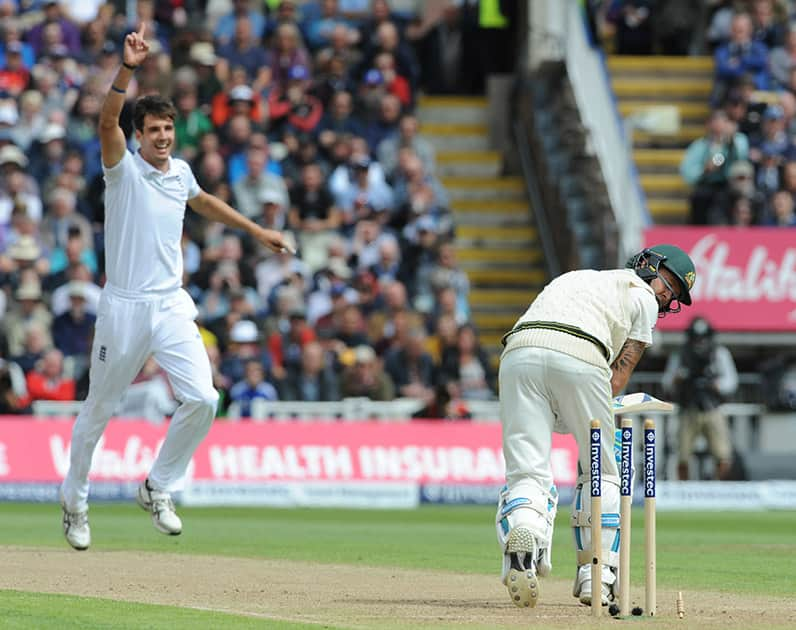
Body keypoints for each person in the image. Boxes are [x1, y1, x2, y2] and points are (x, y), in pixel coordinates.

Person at [59, 26, 295, 552]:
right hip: (122, 306)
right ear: (138, 136)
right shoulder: (123, 170)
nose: (163, 136)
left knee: (206, 398)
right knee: (99, 408)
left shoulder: (181, 172)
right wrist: (127, 69)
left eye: (168, 128)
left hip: (169, 303)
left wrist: (257, 231)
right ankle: (75, 499)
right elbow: (104, 121)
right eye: (153, 130)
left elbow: (204, 201)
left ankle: (157, 485)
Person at [495, 244, 696, 609]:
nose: (667, 297)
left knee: (526, 470)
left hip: (518, 351)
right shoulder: (643, 299)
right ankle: (597, 577)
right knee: (601, 468)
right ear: (650, 268)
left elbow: (545, 349)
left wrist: (556, 412)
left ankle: (525, 533)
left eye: (674, 294)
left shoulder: (577, 278)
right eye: (669, 285)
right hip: (583, 356)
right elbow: (616, 379)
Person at [662, 316, 738, 481]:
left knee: (723, 454)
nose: (699, 342)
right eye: (696, 338)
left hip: (712, 407)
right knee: (682, 454)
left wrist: (715, 384)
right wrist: (680, 378)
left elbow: (731, 381)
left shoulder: (719, 353)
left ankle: (720, 486)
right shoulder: (681, 354)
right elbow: (667, 382)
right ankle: (685, 489)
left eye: (702, 338)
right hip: (688, 408)